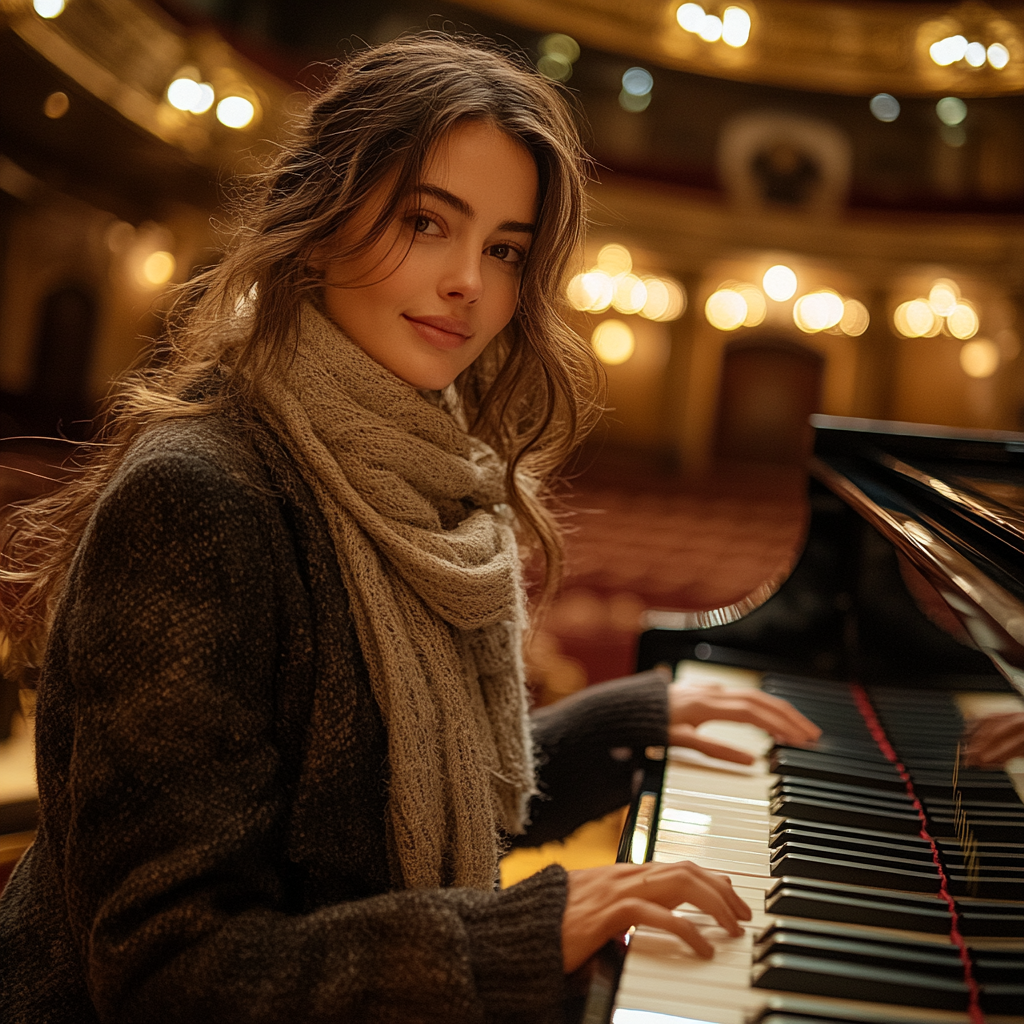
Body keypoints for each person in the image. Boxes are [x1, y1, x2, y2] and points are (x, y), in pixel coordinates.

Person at [0, 33, 819, 1023]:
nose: (469, 281)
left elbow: (378, 800)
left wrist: (629, 721)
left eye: (504, 249)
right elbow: (169, 971)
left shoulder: (430, 476)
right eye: (426, 222)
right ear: (320, 220)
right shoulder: (200, 497)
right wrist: (512, 935)